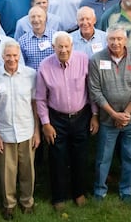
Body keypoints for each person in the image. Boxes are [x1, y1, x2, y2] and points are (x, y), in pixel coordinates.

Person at [35, 32, 96, 210]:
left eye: (66, 46)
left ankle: (79, 193)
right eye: (59, 46)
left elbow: (91, 90)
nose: (63, 50)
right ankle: (58, 196)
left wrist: (94, 115)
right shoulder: (44, 66)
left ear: (72, 46)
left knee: (80, 156)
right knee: (57, 158)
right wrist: (46, 124)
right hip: (56, 119)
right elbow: (40, 98)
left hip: (81, 116)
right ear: (53, 48)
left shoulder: (84, 60)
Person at [88, 25, 131, 203]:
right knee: (103, 157)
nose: (115, 42)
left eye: (119, 39)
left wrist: (125, 114)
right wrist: (114, 114)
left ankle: (126, 189)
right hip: (108, 119)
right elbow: (95, 91)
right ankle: (99, 190)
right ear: (107, 40)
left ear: (125, 40)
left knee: (130, 156)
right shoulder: (96, 60)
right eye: (112, 39)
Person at [0, 40, 39, 219]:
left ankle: (27, 202)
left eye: (15, 55)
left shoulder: (30, 75)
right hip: (5, 131)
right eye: (8, 55)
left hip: (27, 130)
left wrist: (37, 131)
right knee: (7, 172)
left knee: (27, 170)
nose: (11, 59)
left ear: (19, 56)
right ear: (2, 56)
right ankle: (9, 204)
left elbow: (35, 104)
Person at [18, 6, 56, 70]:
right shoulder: (22, 40)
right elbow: (21, 63)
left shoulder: (55, 37)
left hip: (52, 77)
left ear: (45, 18)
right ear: (29, 19)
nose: (36, 19)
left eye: (39, 16)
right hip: (32, 78)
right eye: (33, 17)